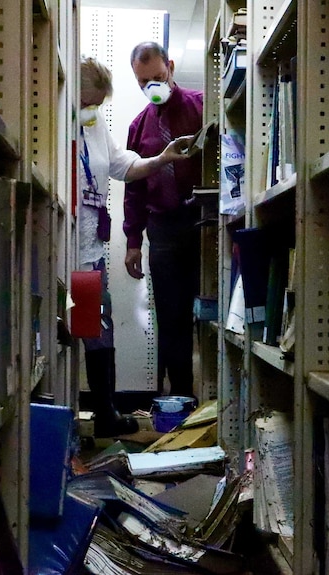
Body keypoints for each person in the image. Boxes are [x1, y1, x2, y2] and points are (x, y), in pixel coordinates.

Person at [78, 56, 193, 437]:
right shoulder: (54, 121)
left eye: (96, 104)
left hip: (88, 249)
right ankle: (74, 411)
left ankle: (105, 414)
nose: (91, 111)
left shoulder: (92, 124)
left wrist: (161, 159)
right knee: (71, 329)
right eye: (86, 103)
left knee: (96, 326)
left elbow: (123, 166)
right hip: (61, 249)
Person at [123, 42, 204, 401]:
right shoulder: (138, 127)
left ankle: (218, 400)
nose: (152, 86)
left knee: (208, 311)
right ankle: (182, 399)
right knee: (171, 319)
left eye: (157, 77)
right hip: (164, 228)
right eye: (143, 82)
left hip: (203, 220)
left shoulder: (202, 106)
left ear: (169, 67)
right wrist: (132, 241)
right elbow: (134, 189)